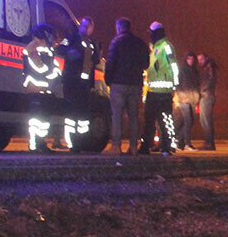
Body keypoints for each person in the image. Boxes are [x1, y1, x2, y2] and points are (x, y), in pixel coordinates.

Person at [104, 17, 148, 155]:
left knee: (117, 115)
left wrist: (108, 80)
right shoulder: (140, 43)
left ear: (118, 27)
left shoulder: (116, 42)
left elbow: (110, 63)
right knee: (134, 116)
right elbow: (146, 63)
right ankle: (133, 147)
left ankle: (116, 146)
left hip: (118, 83)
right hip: (135, 84)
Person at [58, 17, 97, 151]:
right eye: (84, 26)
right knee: (71, 113)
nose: (85, 29)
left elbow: (95, 60)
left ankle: (83, 142)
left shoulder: (92, 43)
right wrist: (70, 52)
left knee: (83, 115)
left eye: (88, 27)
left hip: (85, 85)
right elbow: (59, 50)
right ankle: (71, 141)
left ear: (92, 29)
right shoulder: (71, 38)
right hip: (71, 81)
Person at [22, 24, 61, 152]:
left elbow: (55, 66)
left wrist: (54, 73)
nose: (51, 38)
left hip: (45, 88)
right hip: (35, 87)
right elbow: (39, 67)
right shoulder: (32, 47)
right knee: (36, 118)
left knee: (44, 118)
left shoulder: (47, 49)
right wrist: (51, 72)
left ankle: (41, 142)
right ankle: (35, 144)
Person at [143, 21, 178, 156]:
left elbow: (173, 65)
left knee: (165, 119)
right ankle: (147, 145)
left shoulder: (166, 47)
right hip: (153, 91)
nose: (150, 36)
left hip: (164, 91)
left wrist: (175, 84)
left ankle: (168, 146)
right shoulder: (154, 48)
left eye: (151, 33)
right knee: (150, 120)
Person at [174, 52, 199, 151]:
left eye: (192, 59)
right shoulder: (182, 71)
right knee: (188, 121)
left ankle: (179, 141)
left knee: (190, 121)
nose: (190, 61)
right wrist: (179, 95)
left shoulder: (194, 71)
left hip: (192, 98)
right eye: (189, 59)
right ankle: (186, 143)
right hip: (183, 98)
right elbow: (177, 84)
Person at [196, 53, 218, 151]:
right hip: (205, 95)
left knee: (206, 120)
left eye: (201, 59)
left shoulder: (209, 68)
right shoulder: (206, 68)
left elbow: (210, 81)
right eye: (198, 60)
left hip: (207, 96)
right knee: (203, 120)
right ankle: (208, 142)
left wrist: (202, 90)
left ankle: (209, 143)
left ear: (206, 58)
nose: (199, 61)